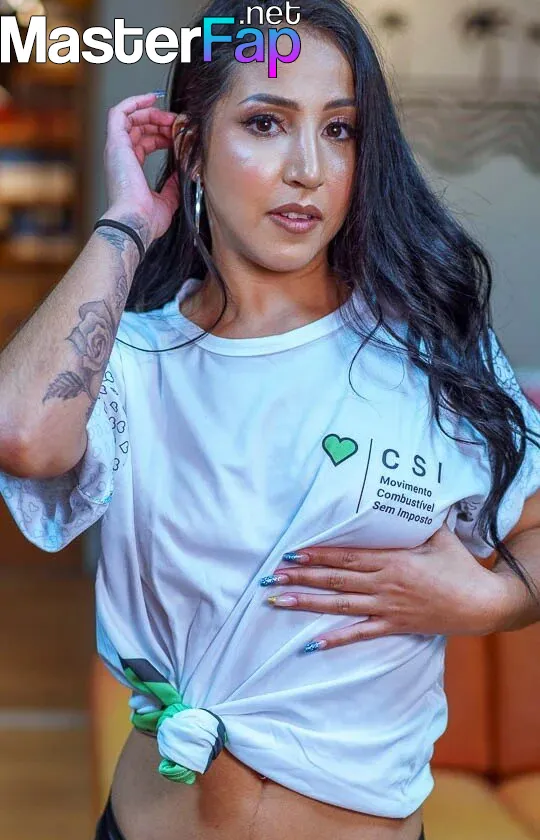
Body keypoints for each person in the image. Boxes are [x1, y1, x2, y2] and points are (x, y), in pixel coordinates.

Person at [0, 1, 540, 839]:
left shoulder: (429, 354)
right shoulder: (133, 358)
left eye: (340, 130)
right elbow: (22, 436)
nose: (308, 169)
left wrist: (492, 598)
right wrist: (129, 224)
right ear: (191, 148)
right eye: (265, 123)